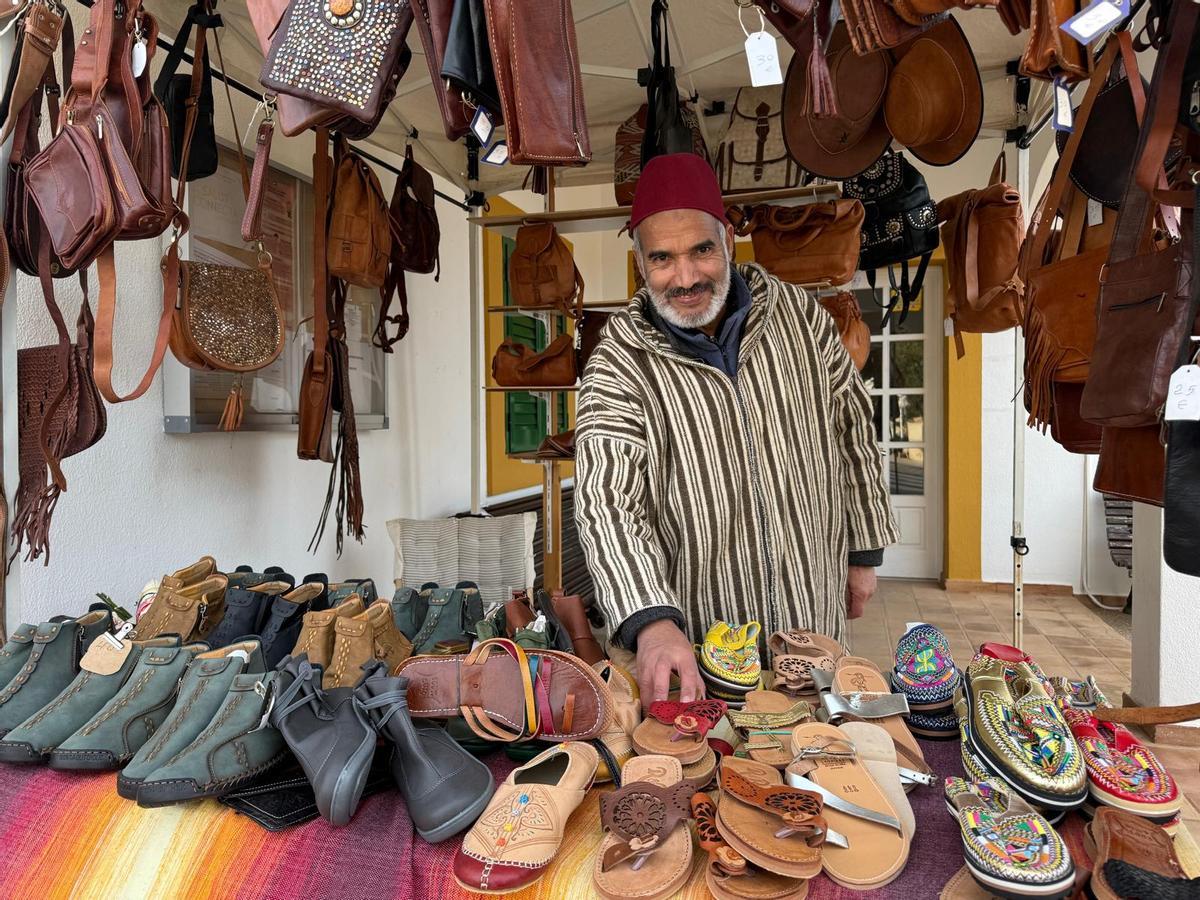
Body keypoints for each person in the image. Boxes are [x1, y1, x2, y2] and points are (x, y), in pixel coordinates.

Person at [574, 153, 899, 709]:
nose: (686, 277)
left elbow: (853, 430)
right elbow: (607, 501)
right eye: (662, 258)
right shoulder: (619, 361)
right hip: (702, 639)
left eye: (701, 249)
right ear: (639, 260)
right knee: (727, 778)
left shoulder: (799, 317)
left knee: (821, 755)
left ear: (727, 238)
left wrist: (864, 550)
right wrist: (650, 620)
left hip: (811, 600)